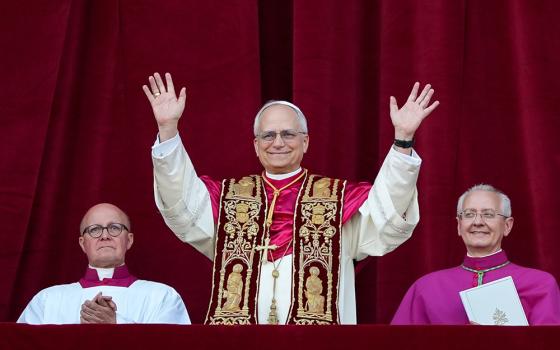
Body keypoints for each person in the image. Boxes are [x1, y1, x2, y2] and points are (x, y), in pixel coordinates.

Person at [144, 72, 439, 325]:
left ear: (305, 141)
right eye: (268, 135)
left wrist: (403, 139)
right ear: (256, 145)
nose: (278, 143)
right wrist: (168, 130)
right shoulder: (227, 199)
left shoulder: (339, 201)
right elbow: (181, 205)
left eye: (288, 134)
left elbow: (387, 212)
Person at [391, 184, 560, 325]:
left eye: (488, 214)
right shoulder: (425, 288)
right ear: (459, 225)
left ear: (507, 225)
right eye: (469, 214)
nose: (478, 222)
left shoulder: (540, 285)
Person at [18, 203, 190, 324]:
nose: (105, 235)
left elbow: (174, 344)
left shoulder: (163, 297)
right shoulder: (47, 300)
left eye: (114, 228)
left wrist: (117, 325)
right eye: (94, 229)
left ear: (129, 240)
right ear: (82, 243)